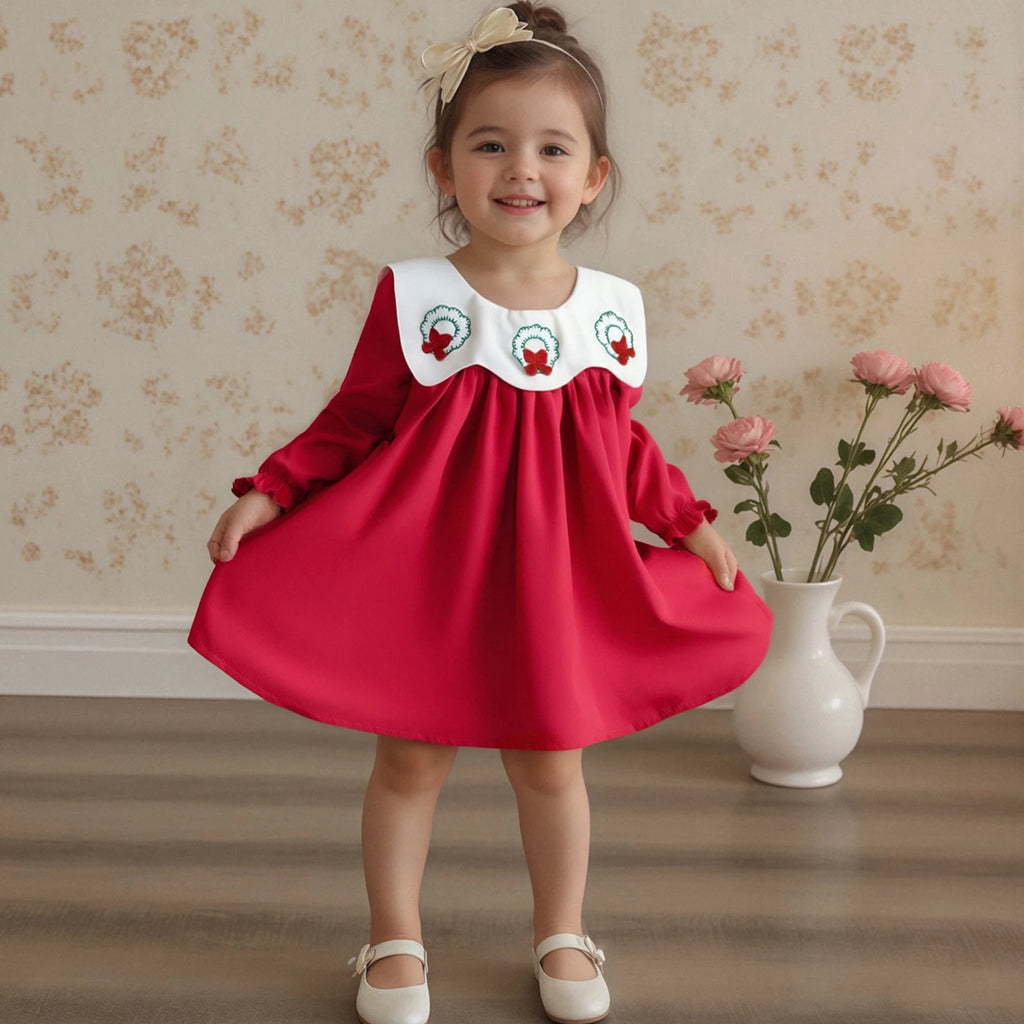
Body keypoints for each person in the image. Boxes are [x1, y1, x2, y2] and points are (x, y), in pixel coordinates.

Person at [189, 5, 772, 1023]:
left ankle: (562, 932)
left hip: (553, 576)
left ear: (594, 175)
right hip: (432, 573)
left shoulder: (609, 309)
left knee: (551, 759)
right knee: (410, 756)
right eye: (490, 144)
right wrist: (274, 491)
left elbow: (620, 443)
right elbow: (356, 417)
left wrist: (687, 523)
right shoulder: (418, 296)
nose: (521, 169)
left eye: (553, 148)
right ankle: (393, 939)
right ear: (443, 168)